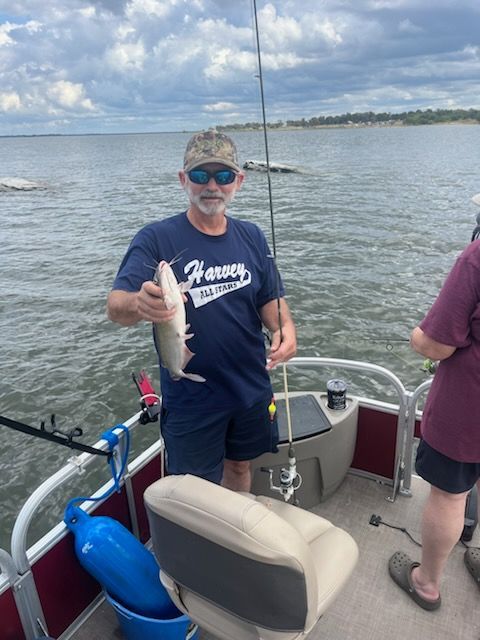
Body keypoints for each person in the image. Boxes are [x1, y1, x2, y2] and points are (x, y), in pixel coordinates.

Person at [107, 130, 296, 491]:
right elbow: (116, 307)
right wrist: (138, 303)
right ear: (183, 180)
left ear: (238, 182)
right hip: (193, 400)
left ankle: (235, 540)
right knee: (195, 492)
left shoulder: (252, 236)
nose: (213, 186)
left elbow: (269, 299)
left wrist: (285, 330)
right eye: (200, 175)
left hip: (250, 389)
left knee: (240, 468)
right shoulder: (156, 238)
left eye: (223, 176)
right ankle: (201, 547)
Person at [388, 235, 480, 610]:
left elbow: (438, 344)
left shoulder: (476, 258)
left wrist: (417, 337)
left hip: (469, 407)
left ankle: (426, 584)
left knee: (449, 495)